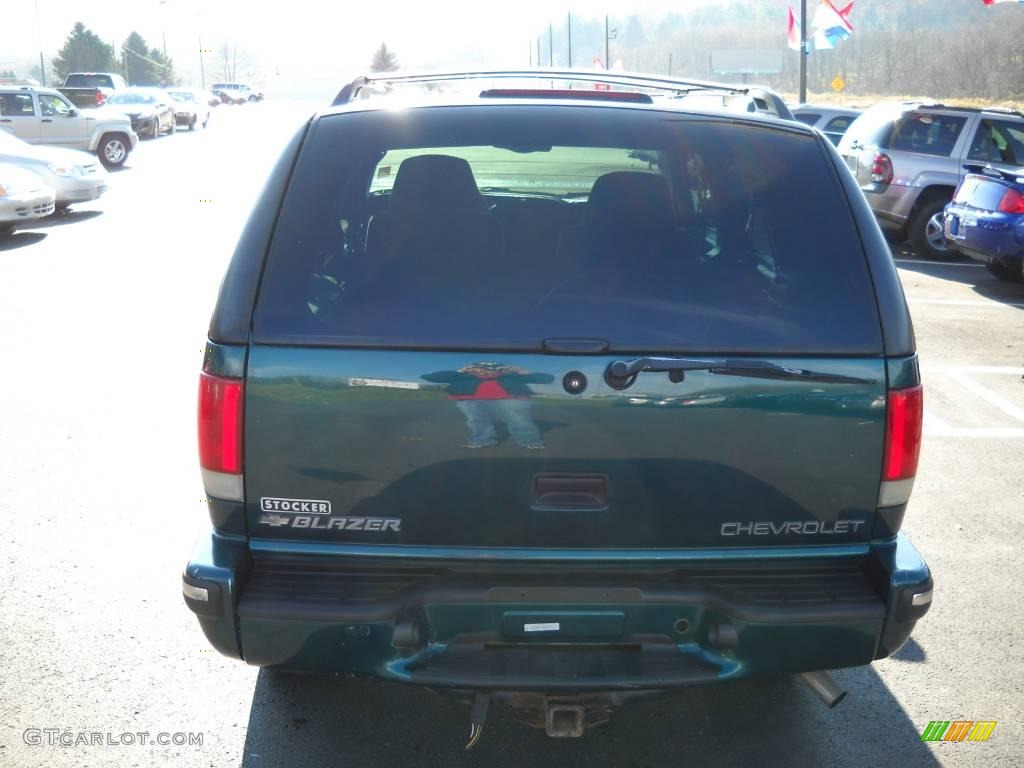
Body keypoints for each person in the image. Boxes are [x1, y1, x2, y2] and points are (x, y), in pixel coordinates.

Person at [422, 362, 553, 449]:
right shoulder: (463, 376)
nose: (487, 371)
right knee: (476, 421)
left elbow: (547, 379)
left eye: (493, 368)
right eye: (481, 368)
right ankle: (482, 440)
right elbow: (430, 377)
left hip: (511, 398)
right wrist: (461, 371)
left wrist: (524, 372)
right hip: (470, 399)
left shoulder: (511, 376)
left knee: (519, 420)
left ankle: (531, 442)